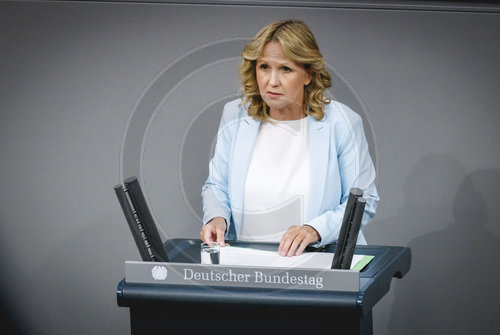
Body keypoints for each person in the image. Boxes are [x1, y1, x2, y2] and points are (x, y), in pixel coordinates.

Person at [200, 20, 378, 257]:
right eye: (264, 67)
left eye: (285, 69)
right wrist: (217, 218)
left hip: (321, 261)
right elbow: (216, 185)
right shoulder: (235, 114)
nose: (272, 81)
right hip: (247, 262)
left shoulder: (342, 122)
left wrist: (315, 229)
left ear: (308, 75)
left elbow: (363, 201)